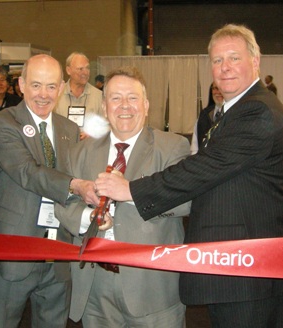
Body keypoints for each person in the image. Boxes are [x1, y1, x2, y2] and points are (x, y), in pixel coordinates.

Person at [95, 24, 283, 328]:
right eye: (217, 60)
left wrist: (131, 190)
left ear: (256, 60)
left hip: (248, 272)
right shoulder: (234, 110)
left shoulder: (258, 112)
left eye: (233, 58)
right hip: (232, 269)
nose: (224, 68)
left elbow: (203, 168)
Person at [55, 66, 190, 327]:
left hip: (152, 288)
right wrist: (89, 216)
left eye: (132, 98)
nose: (124, 106)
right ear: (104, 107)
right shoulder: (80, 152)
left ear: (147, 105)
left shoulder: (172, 147)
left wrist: (130, 192)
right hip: (96, 288)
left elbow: (186, 202)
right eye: (115, 98)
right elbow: (64, 203)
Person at [0, 54, 98, 328]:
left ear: (61, 88)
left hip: (58, 251)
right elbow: (27, 172)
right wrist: (75, 185)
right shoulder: (0, 123)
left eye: (51, 86)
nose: (44, 95)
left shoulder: (69, 129)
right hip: (15, 250)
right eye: (36, 85)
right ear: (21, 85)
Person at [55, 52, 103, 139]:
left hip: (89, 149)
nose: (85, 72)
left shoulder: (99, 96)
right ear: (68, 70)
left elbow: (106, 125)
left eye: (87, 68)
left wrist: (92, 133)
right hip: (64, 149)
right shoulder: (56, 95)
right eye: (80, 69)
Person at [190, 82, 224, 154]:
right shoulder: (204, 114)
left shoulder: (233, 113)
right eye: (215, 88)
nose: (218, 92)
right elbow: (195, 146)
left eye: (221, 88)